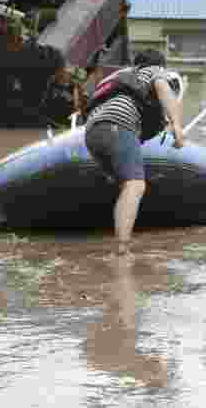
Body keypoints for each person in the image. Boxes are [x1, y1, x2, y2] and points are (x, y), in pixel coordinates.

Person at [84, 50, 186, 257]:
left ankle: (118, 240)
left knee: (126, 186)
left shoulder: (121, 80)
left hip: (92, 133)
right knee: (135, 185)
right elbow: (162, 86)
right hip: (118, 125)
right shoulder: (153, 71)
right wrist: (177, 124)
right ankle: (122, 251)